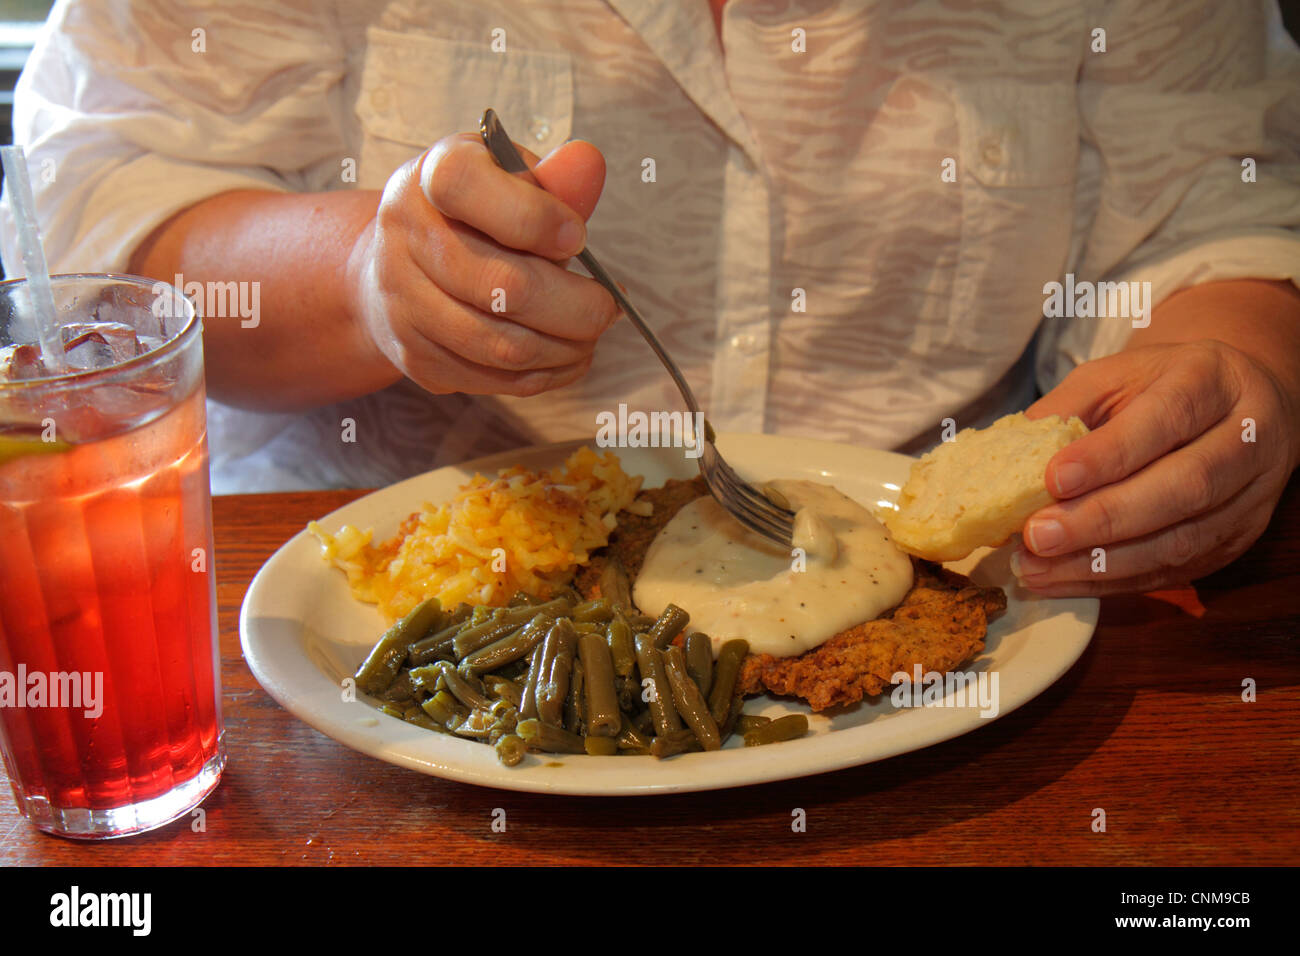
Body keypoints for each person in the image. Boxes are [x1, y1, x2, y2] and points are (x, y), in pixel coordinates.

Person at [4, 0, 1299, 599]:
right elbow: (114, 220)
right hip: (353, 627)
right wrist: (364, 279)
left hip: (963, 642)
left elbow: (1219, 211)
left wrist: (1237, 371)